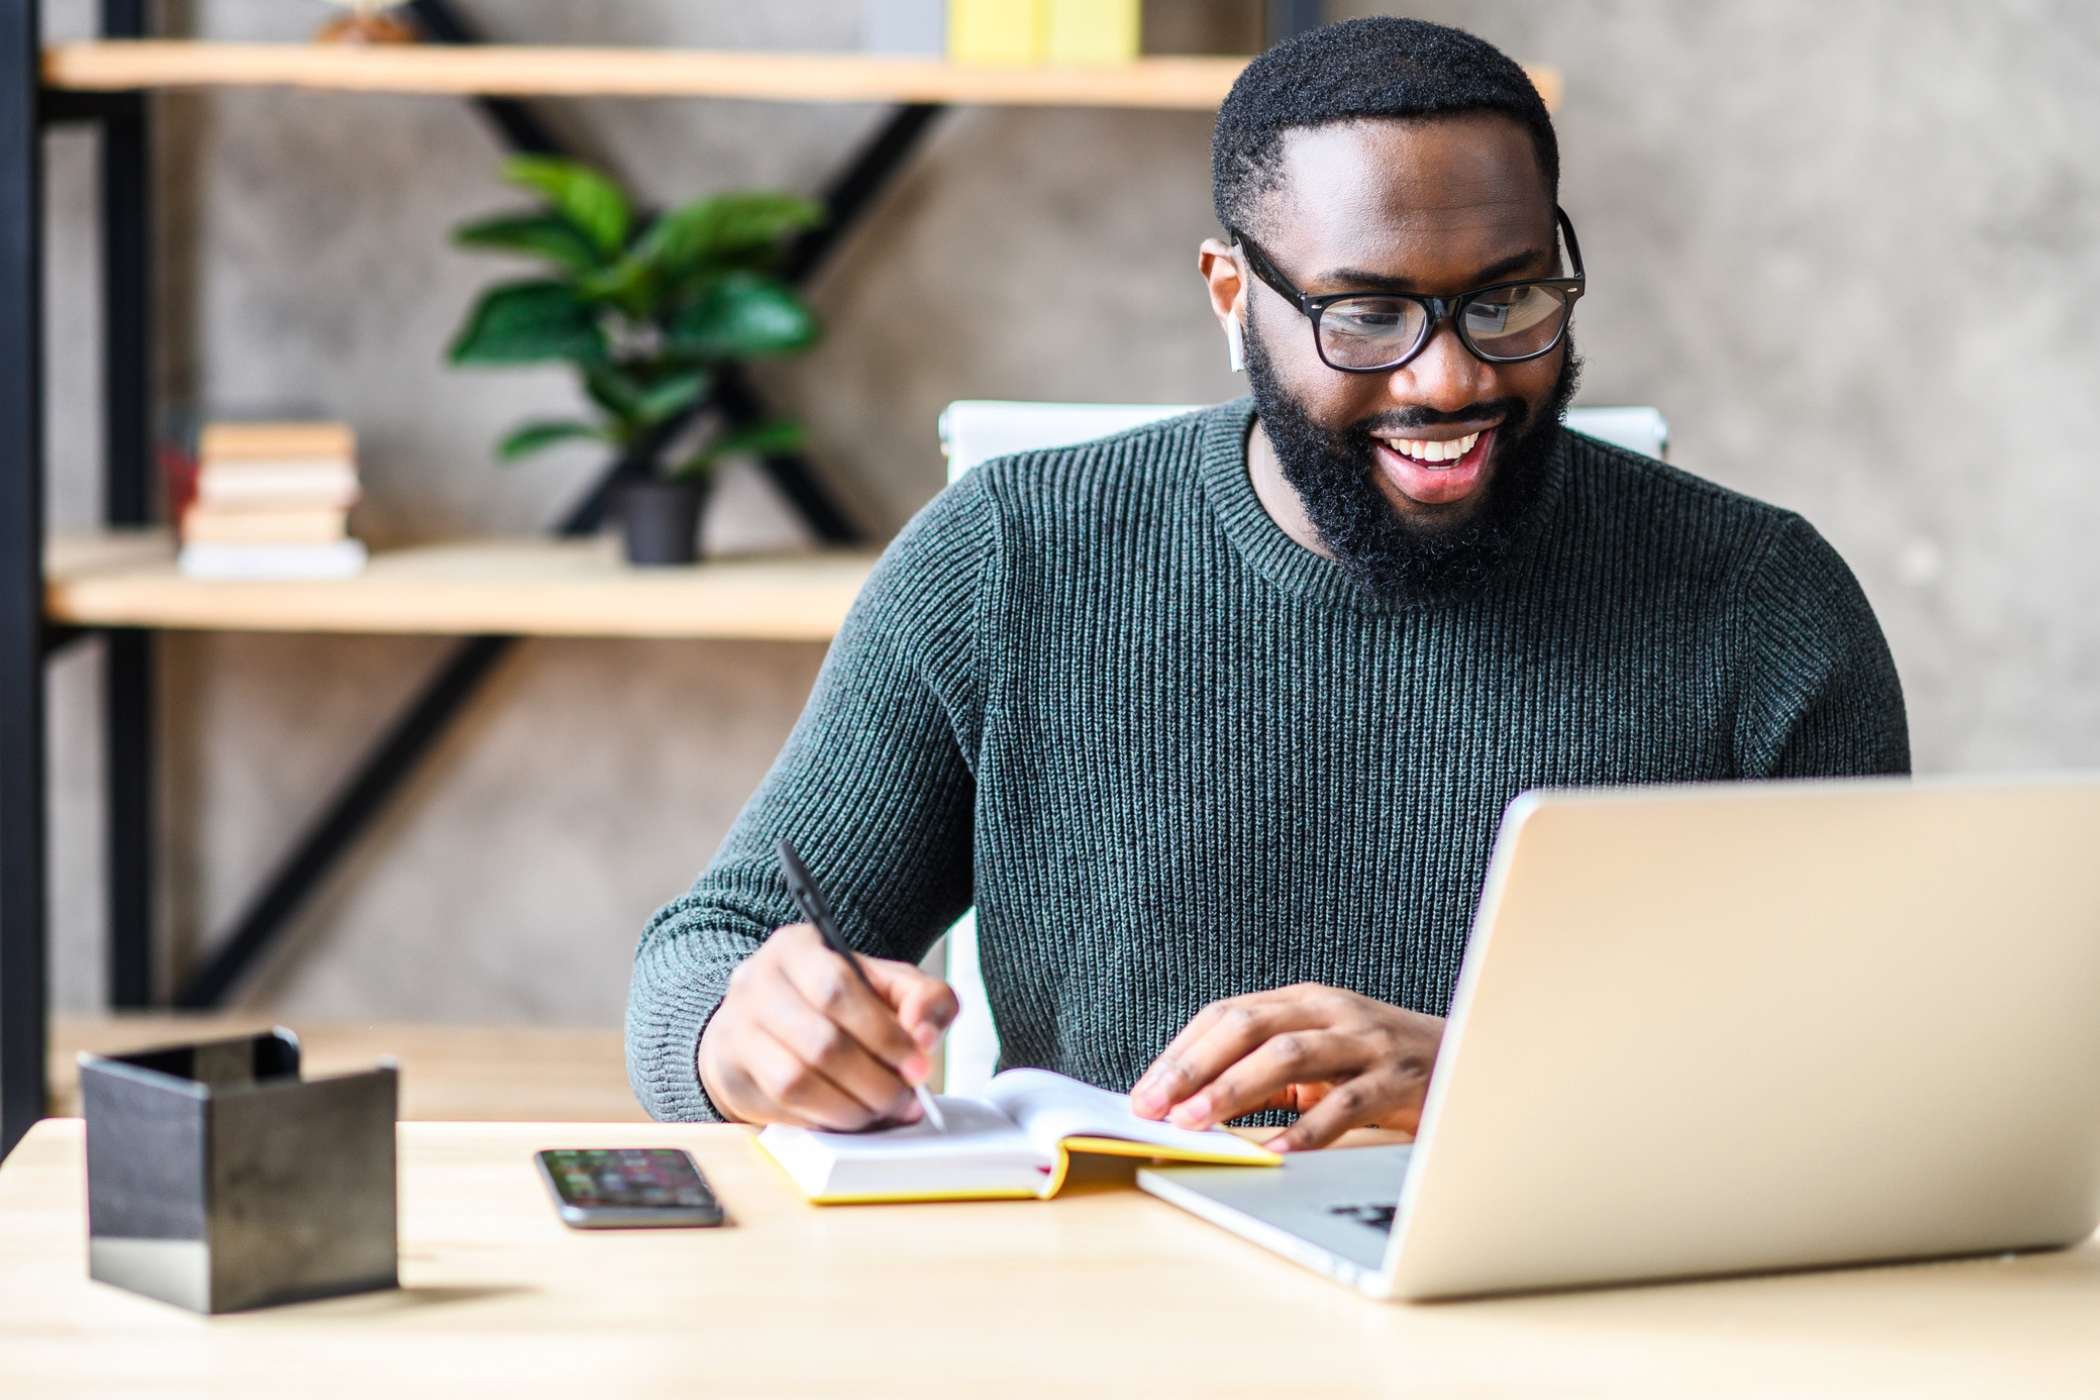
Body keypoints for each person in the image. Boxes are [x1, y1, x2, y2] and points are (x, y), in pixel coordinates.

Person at [626, 17, 1908, 1151]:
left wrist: (1478, 1071)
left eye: (1507, 299)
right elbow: (700, 958)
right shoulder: (1009, 561)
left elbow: (1883, 1065)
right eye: (1363, 315)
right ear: (1233, 297)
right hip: (1112, 1307)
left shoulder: (1763, 603)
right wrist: (746, 1035)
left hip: (1579, 1307)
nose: (1447, 380)